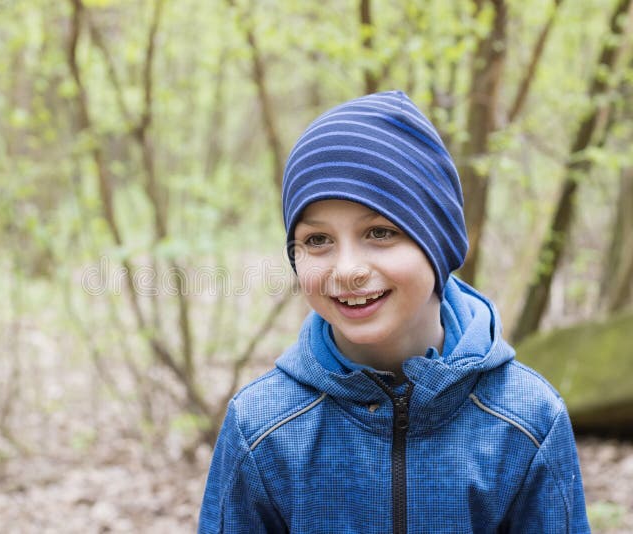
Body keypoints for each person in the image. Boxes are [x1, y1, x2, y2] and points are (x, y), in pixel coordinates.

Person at [198, 91, 590, 533]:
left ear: (436, 242)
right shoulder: (262, 427)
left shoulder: (527, 420)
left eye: (380, 232)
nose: (346, 270)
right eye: (317, 240)